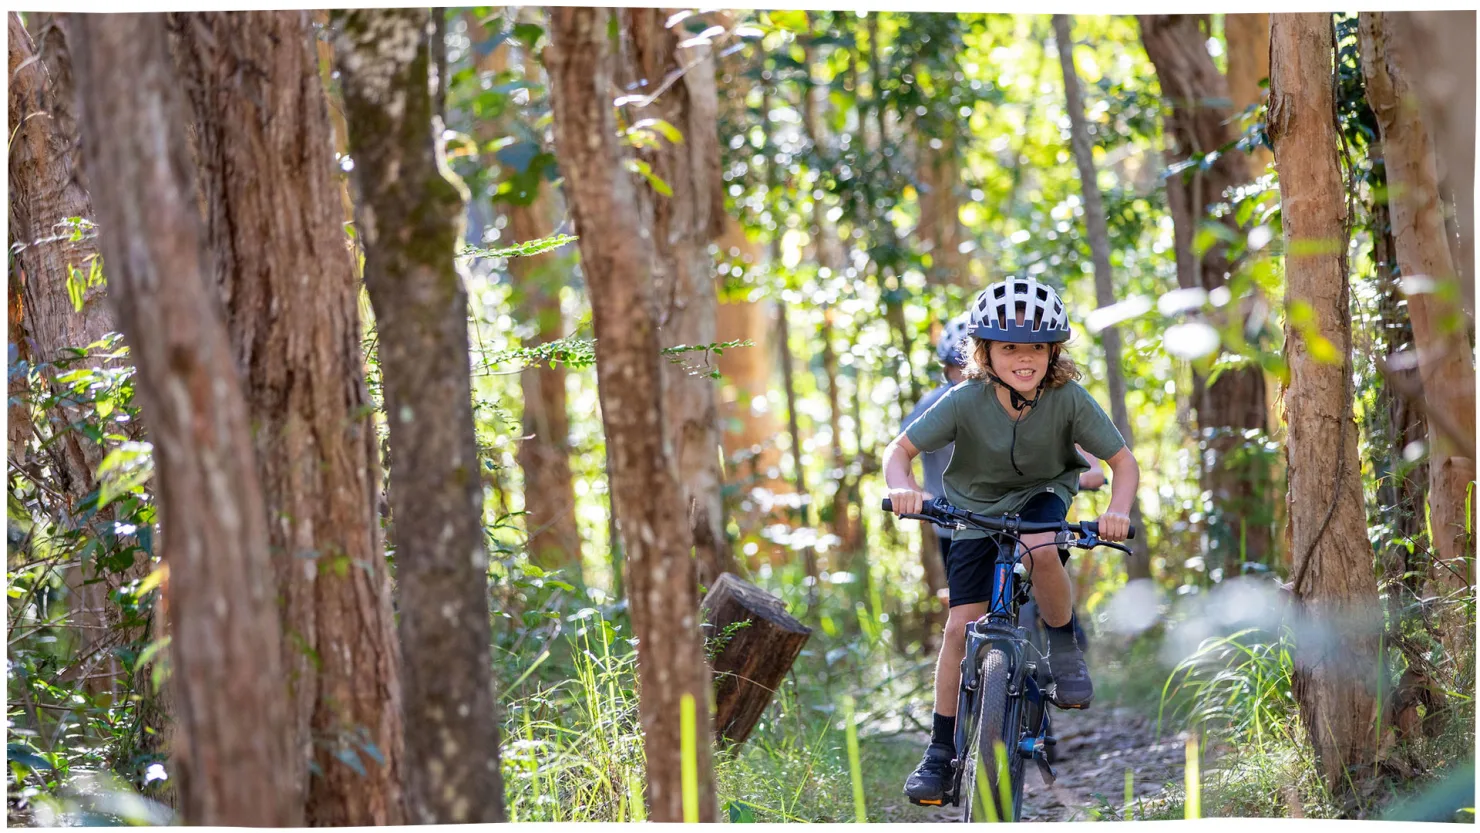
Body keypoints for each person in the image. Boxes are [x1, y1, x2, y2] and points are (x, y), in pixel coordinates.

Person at [882, 277, 1140, 805]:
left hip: (1042, 495)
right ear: (985, 353)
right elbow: (899, 450)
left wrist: (1117, 509)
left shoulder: (1068, 398)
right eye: (1009, 348)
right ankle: (939, 749)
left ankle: (1065, 649)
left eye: (1037, 348)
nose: (1024, 359)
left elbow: (1122, 461)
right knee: (959, 625)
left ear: (1054, 352)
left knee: (1043, 546)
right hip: (973, 510)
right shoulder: (963, 400)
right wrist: (901, 487)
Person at [902, 313, 973, 577]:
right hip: (951, 521)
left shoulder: (1008, 400)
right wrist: (910, 490)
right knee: (965, 604)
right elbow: (901, 450)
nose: (968, 376)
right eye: (959, 367)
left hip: (1008, 517)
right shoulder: (935, 404)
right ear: (947, 369)